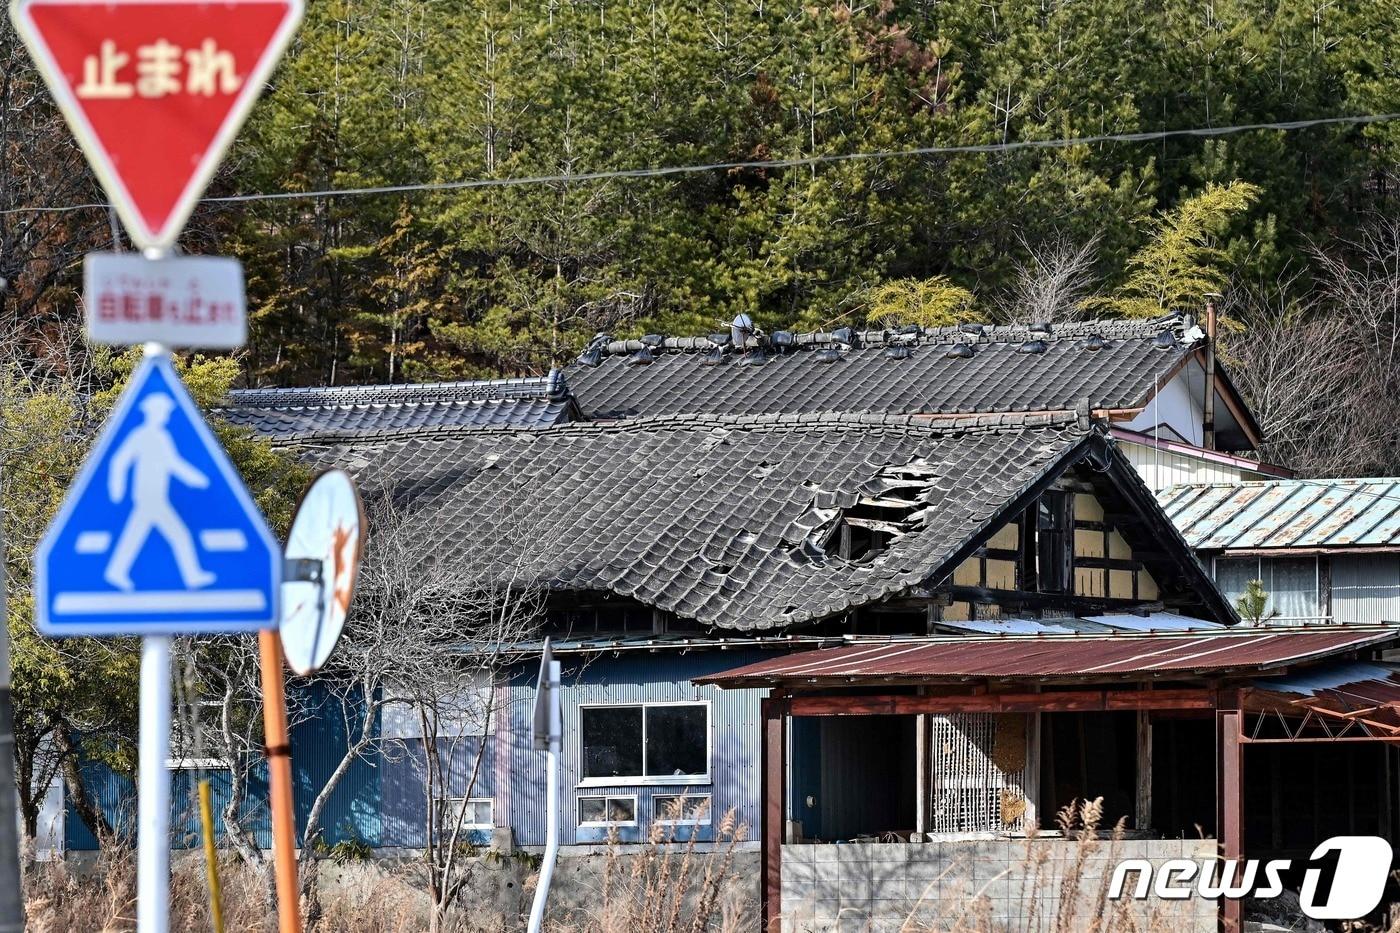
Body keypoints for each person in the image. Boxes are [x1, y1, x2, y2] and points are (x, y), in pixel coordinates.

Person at [103, 392, 215, 591]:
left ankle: (117, 571)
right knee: (179, 535)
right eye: (163, 411)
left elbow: (172, 463)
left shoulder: (162, 436)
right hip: (148, 497)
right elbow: (119, 461)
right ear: (154, 412)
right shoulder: (141, 435)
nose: (166, 415)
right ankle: (193, 576)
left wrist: (195, 479)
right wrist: (116, 491)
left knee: (136, 534)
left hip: (156, 496)